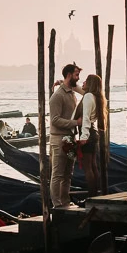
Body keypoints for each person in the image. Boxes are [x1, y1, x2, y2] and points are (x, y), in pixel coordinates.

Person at [47, 62, 83, 206]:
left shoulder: (72, 93)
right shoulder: (57, 96)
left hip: (71, 138)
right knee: (57, 174)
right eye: (76, 75)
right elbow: (55, 120)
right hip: (59, 139)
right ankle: (57, 204)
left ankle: (65, 201)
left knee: (68, 174)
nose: (78, 78)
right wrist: (76, 123)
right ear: (69, 75)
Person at [74, 73, 105, 191]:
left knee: (88, 167)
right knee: (93, 165)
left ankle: (91, 195)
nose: (83, 82)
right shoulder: (96, 97)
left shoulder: (88, 97)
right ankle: (96, 192)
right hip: (93, 133)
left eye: (86, 81)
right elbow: (77, 88)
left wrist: (83, 136)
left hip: (88, 133)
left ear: (90, 83)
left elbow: (85, 117)